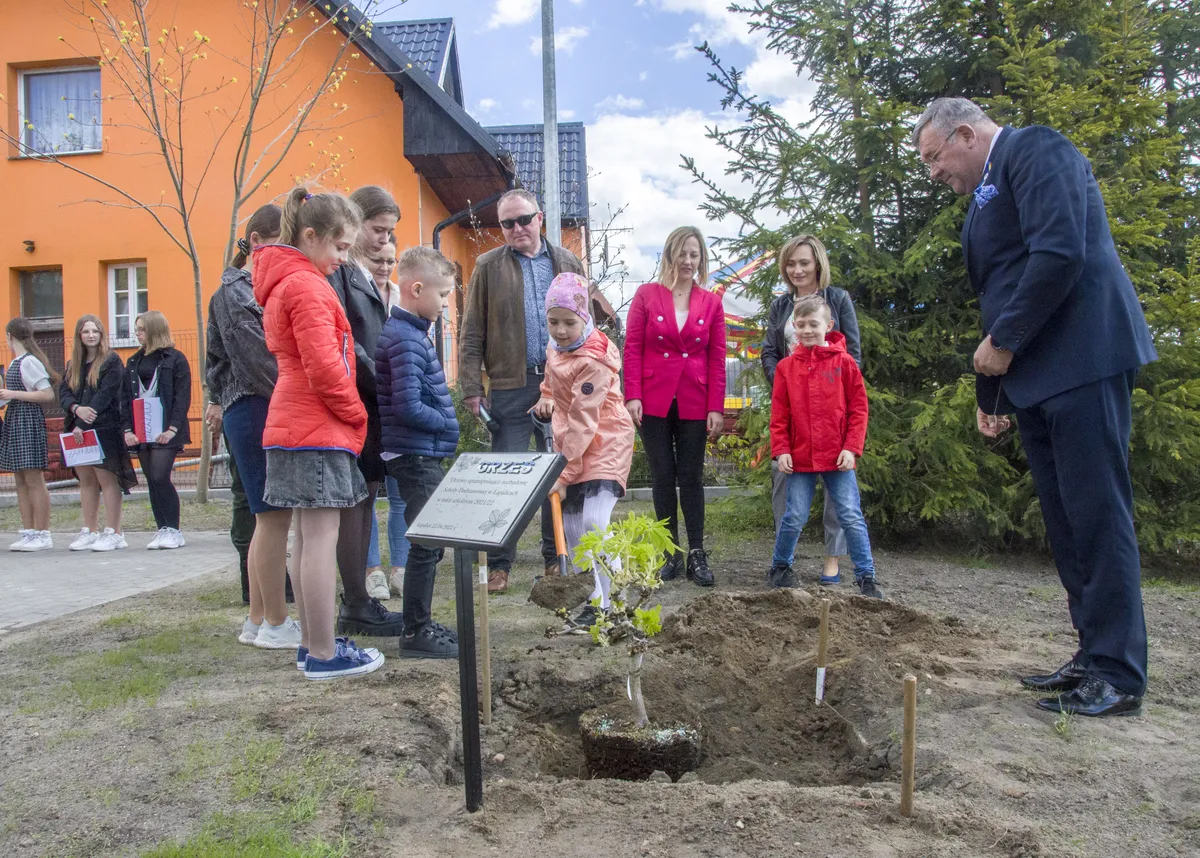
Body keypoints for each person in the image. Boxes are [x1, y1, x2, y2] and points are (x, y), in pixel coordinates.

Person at [913, 97, 1157, 717]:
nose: (933, 173)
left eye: (934, 157)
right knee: (1067, 521)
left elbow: (1058, 255)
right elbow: (1000, 290)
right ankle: (1091, 655)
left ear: (965, 134)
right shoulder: (985, 193)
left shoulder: (1036, 149)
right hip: (1038, 379)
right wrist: (991, 392)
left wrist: (1003, 344)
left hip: (1084, 359)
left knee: (1098, 515)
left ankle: (1119, 674)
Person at [254, 185, 383, 681]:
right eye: (341, 247)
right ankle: (326, 653)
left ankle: (313, 645)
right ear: (311, 236)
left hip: (291, 424)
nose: (344, 259)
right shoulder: (307, 286)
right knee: (320, 539)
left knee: (306, 541)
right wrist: (355, 413)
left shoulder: (284, 282)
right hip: (315, 426)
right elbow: (327, 368)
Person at [458, 188, 587, 595]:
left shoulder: (567, 262)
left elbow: (586, 323)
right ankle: (500, 565)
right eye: (508, 223)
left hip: (561, 382)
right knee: (507, 477)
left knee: (558, 471)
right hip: (510, 385)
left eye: (524, 220)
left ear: (540, 218)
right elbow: (471, 329)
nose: (517, 229)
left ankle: (555, 559)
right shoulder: (487, 266)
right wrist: (470, 388)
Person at [206, 203, 298, 647]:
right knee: (271, 516)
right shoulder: (236, 290)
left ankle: (259, 618)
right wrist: (298, 394)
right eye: (284, 241)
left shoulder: (250, 286)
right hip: (256, 405)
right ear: (257, 241)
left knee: (270, 516)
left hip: (258, 405)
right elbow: (259, 360)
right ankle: (275, 622)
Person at [531, 272, 635, 631]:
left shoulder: (593, 360)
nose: (560, 330)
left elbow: (585, 421)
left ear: (585, 318)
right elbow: (551, 377)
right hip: (570, 438)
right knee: (574, 527)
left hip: (605, 438)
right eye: (553, 322)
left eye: (569, 323)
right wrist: (546, 394)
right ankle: (597, 603)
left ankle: (618, 587)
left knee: (594, 521)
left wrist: (563, 474)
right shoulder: (556, 347)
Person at [623, 226, 726, 587]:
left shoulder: (711, 302)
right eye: (682, 253)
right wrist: (632, 394)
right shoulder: (646, 295)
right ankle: (670, 552)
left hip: (695, 400)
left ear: (701, 259)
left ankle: (696, 551)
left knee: (691, 477)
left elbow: (717, 356)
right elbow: (632, 347)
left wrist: (716, 406)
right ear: (669, 255)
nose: (687, 261)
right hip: (653, 399)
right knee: (662, 476)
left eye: (694, 254)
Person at [761, 234, 862, 584]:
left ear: (818, 263)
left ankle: (832, 560)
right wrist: (784, 386)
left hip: (831, 410)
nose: (797, 269)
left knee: (839, 493)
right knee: (784, 485)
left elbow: (853, 355)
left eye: (804, 262)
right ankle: (783, 562)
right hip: (791, 410)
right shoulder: (780, 306)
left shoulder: (837, 299)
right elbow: (769, 352)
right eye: (791, 263)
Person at [327, 185, 406, 637]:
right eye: (378, 230)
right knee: (356, 503)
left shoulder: (364, 277)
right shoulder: (342, 275)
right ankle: (355, 599)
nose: (383, 240)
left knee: (367, 496)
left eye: (390, 232)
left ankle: (359, 600)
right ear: (355, 227)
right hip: (358, 398)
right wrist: (383, 379)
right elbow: (347, 340)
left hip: (373, 402)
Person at [767, 294, 883, 599]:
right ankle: (780, 567)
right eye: (801, 324)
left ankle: (866, 576)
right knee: (794, 516)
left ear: (828, 325)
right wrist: (782, 450)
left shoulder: (844, 363)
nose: (807, 330)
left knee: (850, 514)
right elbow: (779, 414)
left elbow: (859, 409)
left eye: (813, 324)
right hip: (800, 458)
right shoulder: (785, 369)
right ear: (793, 326)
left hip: (838, 457)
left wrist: (851, 448)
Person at [375, 246, 460, 658]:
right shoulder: (406, 339)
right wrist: (445, 421)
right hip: (415, 453)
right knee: (427, 542)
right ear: (416, 288)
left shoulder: (410, 334)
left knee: (431, 539)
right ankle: (415, 632)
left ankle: (418, 623)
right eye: (442, 295)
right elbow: (407, 405)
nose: (445, 304)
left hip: (418, 451)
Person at [59, 315, 136, 552]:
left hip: (104, 428)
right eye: (86, 331)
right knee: (87, 481)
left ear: (102, 334)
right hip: (77, 430)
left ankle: (114, 532)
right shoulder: (73, 364)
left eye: (95, 331)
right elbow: (63, 392)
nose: (91, 335)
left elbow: (105, 394)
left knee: (107, 480)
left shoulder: (112, 361)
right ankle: (89, 530)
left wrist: (83, 421)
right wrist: (75, 409)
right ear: (79, 336)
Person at [362, 233, 410, 600]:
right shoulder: (356, 295)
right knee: (367, 493)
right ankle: (372, 571)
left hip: (397, 404)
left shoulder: (401, 298)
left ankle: (401, 569)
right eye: (377, 259)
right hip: (365, 403)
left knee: (400, 494)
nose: (383, 267)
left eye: (390, 261)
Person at [121, 311, 190, 550]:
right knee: (151, 479)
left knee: (161, 476)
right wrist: (128, 429)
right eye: (136, 329)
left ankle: (174, 529)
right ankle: (162, 528)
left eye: (141, 329)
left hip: (166, 427)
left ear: (153, 330)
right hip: (142, 426)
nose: (137, 333)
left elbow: (182, 396)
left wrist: (172, 429)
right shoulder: (133, 361)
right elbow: (125, 397)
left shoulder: (176, 359)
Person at [1, 318, 59, 551]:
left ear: (9, 336)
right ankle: (29, 531)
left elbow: (46, 394)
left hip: (27, 421)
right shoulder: (16, 362)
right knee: (21, 479)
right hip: (15, 420)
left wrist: (13, 393)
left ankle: (43, 533)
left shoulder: (29, 362)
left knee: (34, 478)